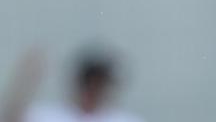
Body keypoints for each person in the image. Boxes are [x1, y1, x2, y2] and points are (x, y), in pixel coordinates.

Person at [1, 47, 144, 122]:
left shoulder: (123, 120)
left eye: (101, 83)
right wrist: (25, 81)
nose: (96, 90)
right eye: (92, 82)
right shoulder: (50, 115)